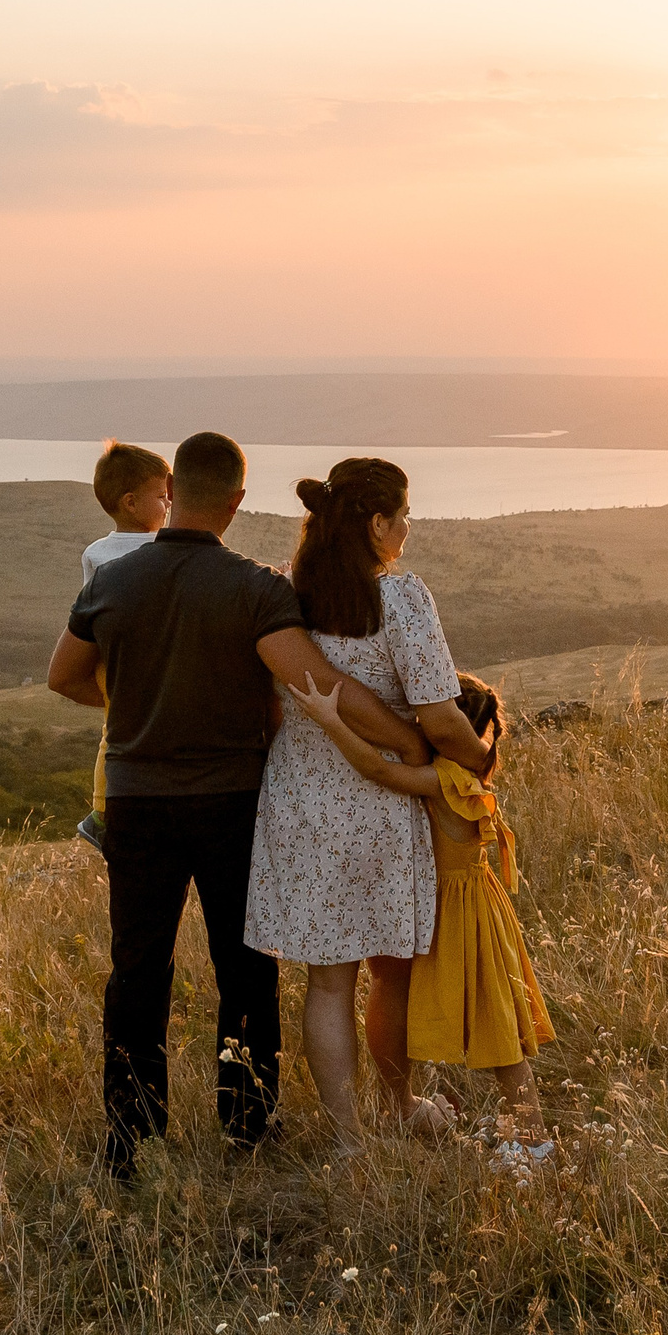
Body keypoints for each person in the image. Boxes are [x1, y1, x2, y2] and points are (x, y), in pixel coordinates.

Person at [49, 432, 429, 1178]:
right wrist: (410, 740)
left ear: (171, 493)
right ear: (235, 501)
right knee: (245, 969)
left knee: (137, 971)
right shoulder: (253, 587)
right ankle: (249, 1127)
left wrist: (136, 707)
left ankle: (131, 1142)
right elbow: (319, 683)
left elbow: (63, 674)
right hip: (230, 801)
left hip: (136, 801)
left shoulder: (114, 580)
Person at [242, 456, 498, 1148]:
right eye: (404, 516)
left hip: (301, 800)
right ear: (378, 524)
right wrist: (484, 760)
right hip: (382, 802)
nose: (408, 528)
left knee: (328, 982)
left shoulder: (287, 598)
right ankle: (399, 1105)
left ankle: (348, 1138)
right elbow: (440, 718)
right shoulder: (401, 599)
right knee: (390, 973)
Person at [282, 667, 554, 1151]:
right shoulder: (465, 772)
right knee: (496, 1026)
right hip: (475, 909)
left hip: (461, 917)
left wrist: (331, 720)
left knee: (497, 1033)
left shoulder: (445, 778)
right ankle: (525, 1136)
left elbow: (379, 770)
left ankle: (534, 1145)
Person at [74, 441, 172, 856]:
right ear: (131, 503)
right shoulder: (162, 548)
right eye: (161, 496)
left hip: (110, 657)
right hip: (147, 658)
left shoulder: (95, 553)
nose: (169, 503)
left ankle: (102, 812)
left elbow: (89, 611)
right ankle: (101, 813)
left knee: (112, 734)